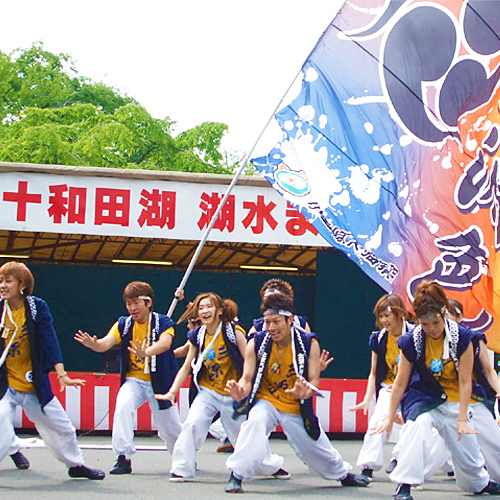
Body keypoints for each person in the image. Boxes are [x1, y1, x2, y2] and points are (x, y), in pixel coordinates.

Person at [224, 293, 370, 493]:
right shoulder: (256, 343)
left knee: (317, 446)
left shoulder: (309, 343)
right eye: (267, 322)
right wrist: (241, 390)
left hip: (295, 405)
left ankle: (342, 474)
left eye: (276, 321)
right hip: (266, 401)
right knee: (255, 422)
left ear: (290, 319)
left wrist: (305, 392)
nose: (271, 327)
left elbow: (314, 382)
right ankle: (236, 475)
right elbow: (247, 378)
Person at [372, 280, 500, 500]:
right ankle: (404, 485)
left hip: (460, 400)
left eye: (435, 322)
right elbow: (401, 384)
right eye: (425, 323)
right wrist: (389, 417)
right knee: (417, 426)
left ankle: (479, 482)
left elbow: (465, 382)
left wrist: (462, 418)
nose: (431, 328)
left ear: (443, 314)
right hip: (427, 400)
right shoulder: (411, 341)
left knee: (470, 456)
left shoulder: (463, 337)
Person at [156, 292, 284, 482]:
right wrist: (172, 392)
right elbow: (186, 367)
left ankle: (268, 466)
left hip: (234, 393)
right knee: (192, 424)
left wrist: (250, 387)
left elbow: (250, 360)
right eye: (201, 308)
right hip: (208, 392)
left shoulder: (234, 332)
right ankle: (182, 468)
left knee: (243, 435)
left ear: (219, 310)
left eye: (209, 306)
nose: (205, 311)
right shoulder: (197, 335)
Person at [0, 261, 105, 480]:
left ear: (22, 284)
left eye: (8, 281)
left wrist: (61, 374)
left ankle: (75, 465)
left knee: (63, 427)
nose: (2, 285)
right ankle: (12, 449)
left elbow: (50, 340)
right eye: (0, 281)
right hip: (5, 384)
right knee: (0, 419)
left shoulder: (36, 307)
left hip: (33, 385)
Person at [74, 281, 181, 474]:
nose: (132, 308)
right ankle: (123, 457)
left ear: (148, 302)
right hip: (135, 381)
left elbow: (165, 344)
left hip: (160, 383)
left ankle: (183, 457)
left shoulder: (163, 322)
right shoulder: (124, 323)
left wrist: (146, 352)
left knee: (171, 429)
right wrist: (93, 344)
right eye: (128, 303)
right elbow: (105, 344)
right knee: (123, 406)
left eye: (136, 302)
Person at [349, 294, 413, 481]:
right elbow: (374, 373)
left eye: (387, 315)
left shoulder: (415, 335)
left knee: (415, 423)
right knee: (378, 418)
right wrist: (367, 399)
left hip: (413, 388)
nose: (384, 320)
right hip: (389, 387)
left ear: (400, 314)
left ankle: (399, 457)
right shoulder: (378, 339)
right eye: (381, 316)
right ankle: (368, 465)